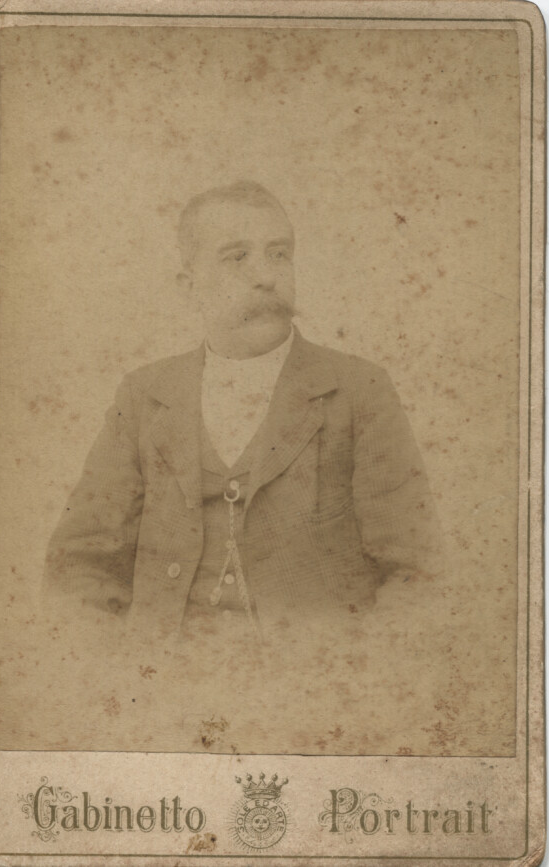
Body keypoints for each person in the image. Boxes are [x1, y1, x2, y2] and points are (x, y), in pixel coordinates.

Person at [45, 180, 441, 651]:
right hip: (166, 677)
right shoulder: (145, 396)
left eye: (279, 254)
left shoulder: (357, 390)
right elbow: (80, 565)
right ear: (189, 287)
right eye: (237, 257)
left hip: (311, 676)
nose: (266, 276)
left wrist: (350, 675)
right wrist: (120, 673)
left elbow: (415, 572)